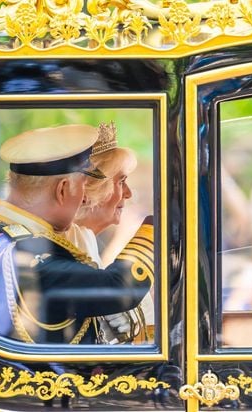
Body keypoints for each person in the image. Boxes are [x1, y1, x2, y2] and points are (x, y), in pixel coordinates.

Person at [0, 124, 154, 344]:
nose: (84, 197)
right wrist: (156, 229)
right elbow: (119, 289)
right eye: (83, 185)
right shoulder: (28, 256)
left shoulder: (7, 234)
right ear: (63, 189)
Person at [65, 121, 155, 343]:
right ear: (87, 191)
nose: (128, 193)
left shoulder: (87, 245)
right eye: (121, 182)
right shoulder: (64, 253)